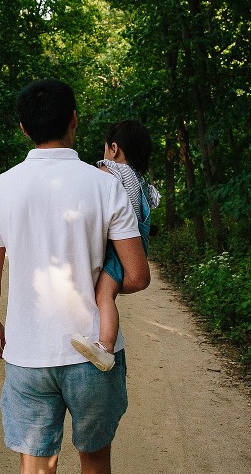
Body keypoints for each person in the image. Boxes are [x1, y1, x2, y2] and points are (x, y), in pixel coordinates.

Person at [0, 78, 151, 474]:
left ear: (23, 128)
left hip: (27, 352)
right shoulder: (106, 186)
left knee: (36, 465)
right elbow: (138, 275)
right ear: (75, 120)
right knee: (95, 460)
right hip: (95, 354)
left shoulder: (0, 188)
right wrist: (105, 292)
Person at [71, 120, 161, 371]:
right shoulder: (139, 179)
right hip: (134, 243)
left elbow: (95, 185)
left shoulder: (113, 172)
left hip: (119, 245)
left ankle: (105, 347)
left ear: (114, 148)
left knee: (103, 295)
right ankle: (105, 345)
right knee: (106, 293)